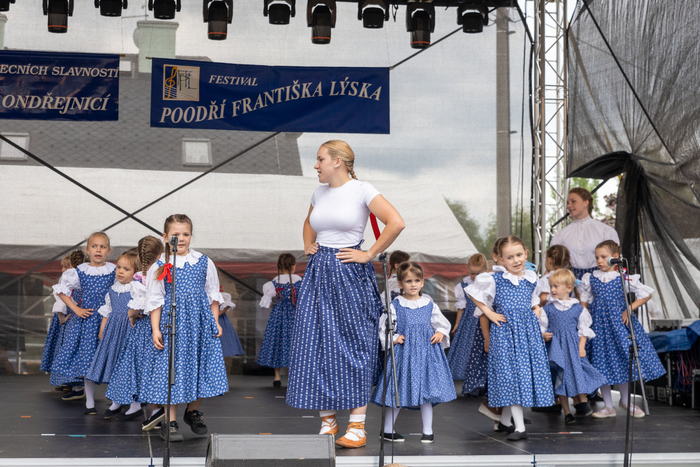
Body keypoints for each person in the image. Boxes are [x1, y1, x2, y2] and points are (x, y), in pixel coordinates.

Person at [286, 140, 404, 449]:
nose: (316, 165)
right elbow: (309, 223)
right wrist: (308, 245)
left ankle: (357, 426)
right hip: (318, 272)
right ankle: (328, 422)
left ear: (338, 161)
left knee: (354, 343)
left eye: (320, 159)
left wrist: (369, 254)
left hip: (349, 271)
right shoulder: (319, 193)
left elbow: (396, 222)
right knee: (315, 342)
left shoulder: (362, 190)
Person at [140, 215, 228, 442]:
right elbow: (155, 300)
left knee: (201, 366)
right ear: (165, 237)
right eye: (175, 235)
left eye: (186, 234)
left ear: (191, 236)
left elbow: (213, 294)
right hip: (173, 323)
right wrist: (156, 329)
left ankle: (192, 411)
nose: (181, 239)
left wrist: (215, 321)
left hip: (199, 323)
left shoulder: (203, 261)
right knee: (172, 370)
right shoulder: (160, 265)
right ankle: (170, 422)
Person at [467, 235, 554, 441]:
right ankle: (520, 428)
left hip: (527, 333)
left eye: (519, 255)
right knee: (511, 376)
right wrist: (489, 313)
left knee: (521, 375)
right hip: (505, 333)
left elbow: (532, 300)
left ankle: (505, 421)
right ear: (500, 259)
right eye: (509, 257)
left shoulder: (530, 278)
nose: (516, 260)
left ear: (526, 254)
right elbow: (473, 293)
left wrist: (536, 308)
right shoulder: (494, 279)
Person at [579, 240, 666, 419]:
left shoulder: (623, 277)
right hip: (599, 326)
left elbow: (646, 294)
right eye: (597, 257)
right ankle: (608, 406)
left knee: (623, 360)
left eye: (603, 257)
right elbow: (584, 299)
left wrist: (629, 308)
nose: (599, 261)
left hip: (619, 325)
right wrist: (584, 312)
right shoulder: (592, 278)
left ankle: (625, 401)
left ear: (615, 257)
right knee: (601, 362)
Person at [370, 262, 454, 444]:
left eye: (417, 280)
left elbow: (442, 323)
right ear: (401, 284)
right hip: (404, 355)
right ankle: (387, 430)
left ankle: (428, 431)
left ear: (422, 282)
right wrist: (394, 337)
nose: (413, 284)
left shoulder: (429, 304)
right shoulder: (395, 305)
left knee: (426, 391)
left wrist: (440, 332)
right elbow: (385, 328)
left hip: (426, 355)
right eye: (408, 281)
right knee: (398, 391)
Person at [52, 232, 116, 414]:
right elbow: (61, 290)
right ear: (88, 250)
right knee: (88, 360)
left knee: (111, 358)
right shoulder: (79, 271)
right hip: (88, 322)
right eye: (94, 246)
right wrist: (76, 309)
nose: (98, 250)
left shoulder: (113, 270)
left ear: (108, 251)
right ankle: (90, 402)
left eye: (102, 247)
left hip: (107, 319)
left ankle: (116, 400)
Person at [106, 236, 166, 427]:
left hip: (144, 328)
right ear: (161, 254)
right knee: (154, 369)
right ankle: (154, 411)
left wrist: (131, 316)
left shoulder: (141, 279)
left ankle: (142, 407)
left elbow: (138, 307)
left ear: (139, 258)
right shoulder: (165, 273)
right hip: (162, 325)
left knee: (137, 367)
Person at [540, 269, 606, 424]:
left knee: (578, 373)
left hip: (572, 347)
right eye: (551, 286)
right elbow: (541, 327)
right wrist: (543, 335)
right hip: (556, 348)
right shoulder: (547, 309)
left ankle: (582, 400)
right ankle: (567, 411)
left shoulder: (578, 308)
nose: (552, 290)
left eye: (556, 286)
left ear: (569, 288)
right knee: (560, 377)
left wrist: (581, 347)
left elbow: (583, 330)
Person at [85, 250, 146, 417]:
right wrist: (102, 330)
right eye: (119, 267)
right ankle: (116, 401)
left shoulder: (136, 288)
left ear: (135, 272)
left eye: (126, 269)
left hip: (129, 331)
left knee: (128, 367)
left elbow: (142, 307)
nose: (120, 271)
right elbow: (108, 311)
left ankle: (135, 404)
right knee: (114, 366)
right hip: (113, 332)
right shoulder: (112, 289)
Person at [550, 187, 620, 279]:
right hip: (570, 280)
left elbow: (615, 260)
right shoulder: (561, 234)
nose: (569, 206)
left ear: (586, 203)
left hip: (600, 279)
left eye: (573, 201)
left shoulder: (605, 231)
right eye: (568, 203)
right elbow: (552, 261)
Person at [42, 251, 85, 391]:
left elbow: (60, 300)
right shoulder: (73, 278)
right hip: (68, 315)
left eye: (65, 266)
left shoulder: (69, 278)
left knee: (65, 349)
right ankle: (66, 381)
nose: (62, 270)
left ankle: (69, 382)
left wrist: (62, 317)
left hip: (68, 315)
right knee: (63, 349)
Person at [258, 253, 302, 387]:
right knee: (294, 343)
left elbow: (266, 302)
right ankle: (293, 376)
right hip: (294, 315)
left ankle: (277, 377)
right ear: (293, 266)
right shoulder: (299, 280)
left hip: (277, 316)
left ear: (279, 266)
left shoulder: (274, 281)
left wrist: (275, 303)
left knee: (277, 342)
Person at [448, 253, 488, 382]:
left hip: (485, 318)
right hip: (469, 321)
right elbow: (461, 307)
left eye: (478, 274)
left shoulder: (489, 284)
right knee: (467, 347)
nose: (475, 277)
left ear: (485, 271)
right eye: (472, 273)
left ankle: (482, 377)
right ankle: (467, 374)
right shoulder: (464, 286)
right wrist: (457, 324)